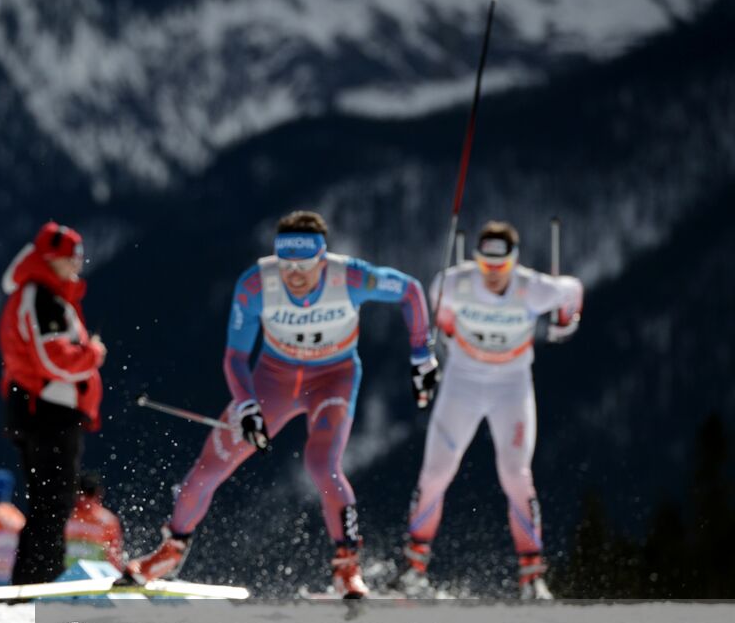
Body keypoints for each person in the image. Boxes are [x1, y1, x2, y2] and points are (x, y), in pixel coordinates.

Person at [125, 210, 435, 598]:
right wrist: (248, 406)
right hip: (274, 381)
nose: (294, 274)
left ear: (322, 259)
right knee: (208, 467)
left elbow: (410, 291)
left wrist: (422, 355)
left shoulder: (350, 277)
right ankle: (169, 552)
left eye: (304, 265)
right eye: (286, 264)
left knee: (322, 464)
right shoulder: (256, 284)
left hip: (332, 379)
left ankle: (347, 570)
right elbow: (235, 358)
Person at [396, 221, 583, 600]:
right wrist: (446, 331)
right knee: (435, 473)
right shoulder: (455, 283)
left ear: (514, 263)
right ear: (476, 260)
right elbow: (437, 304)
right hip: (462, 382)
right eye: (486, 265)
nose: (493, 275)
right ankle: (413, 569)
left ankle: (531, 576)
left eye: (501, 267)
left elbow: (573, 290)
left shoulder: (533, 288)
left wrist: (566, 319)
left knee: (515, 474)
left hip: (510, 386)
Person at [0, 223, 106, 584]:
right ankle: (42, 580)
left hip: (40, 410)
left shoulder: (47, 295)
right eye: (71, 257)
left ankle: (34, 578)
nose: (78, 264)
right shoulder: (42, 296)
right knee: (54, 503)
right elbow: (53, 358)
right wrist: (91, 354)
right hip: (47, 411)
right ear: (52, 258)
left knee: (49, 503)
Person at [64, 470, 126, 572]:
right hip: (65, 576)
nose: (84, 499)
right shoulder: (67, 516)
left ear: (98, 494)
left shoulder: (108, 521)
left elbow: (114, 555)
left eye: (89, 493)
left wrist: (113, 577)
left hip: (95, 578)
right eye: (82, 493)